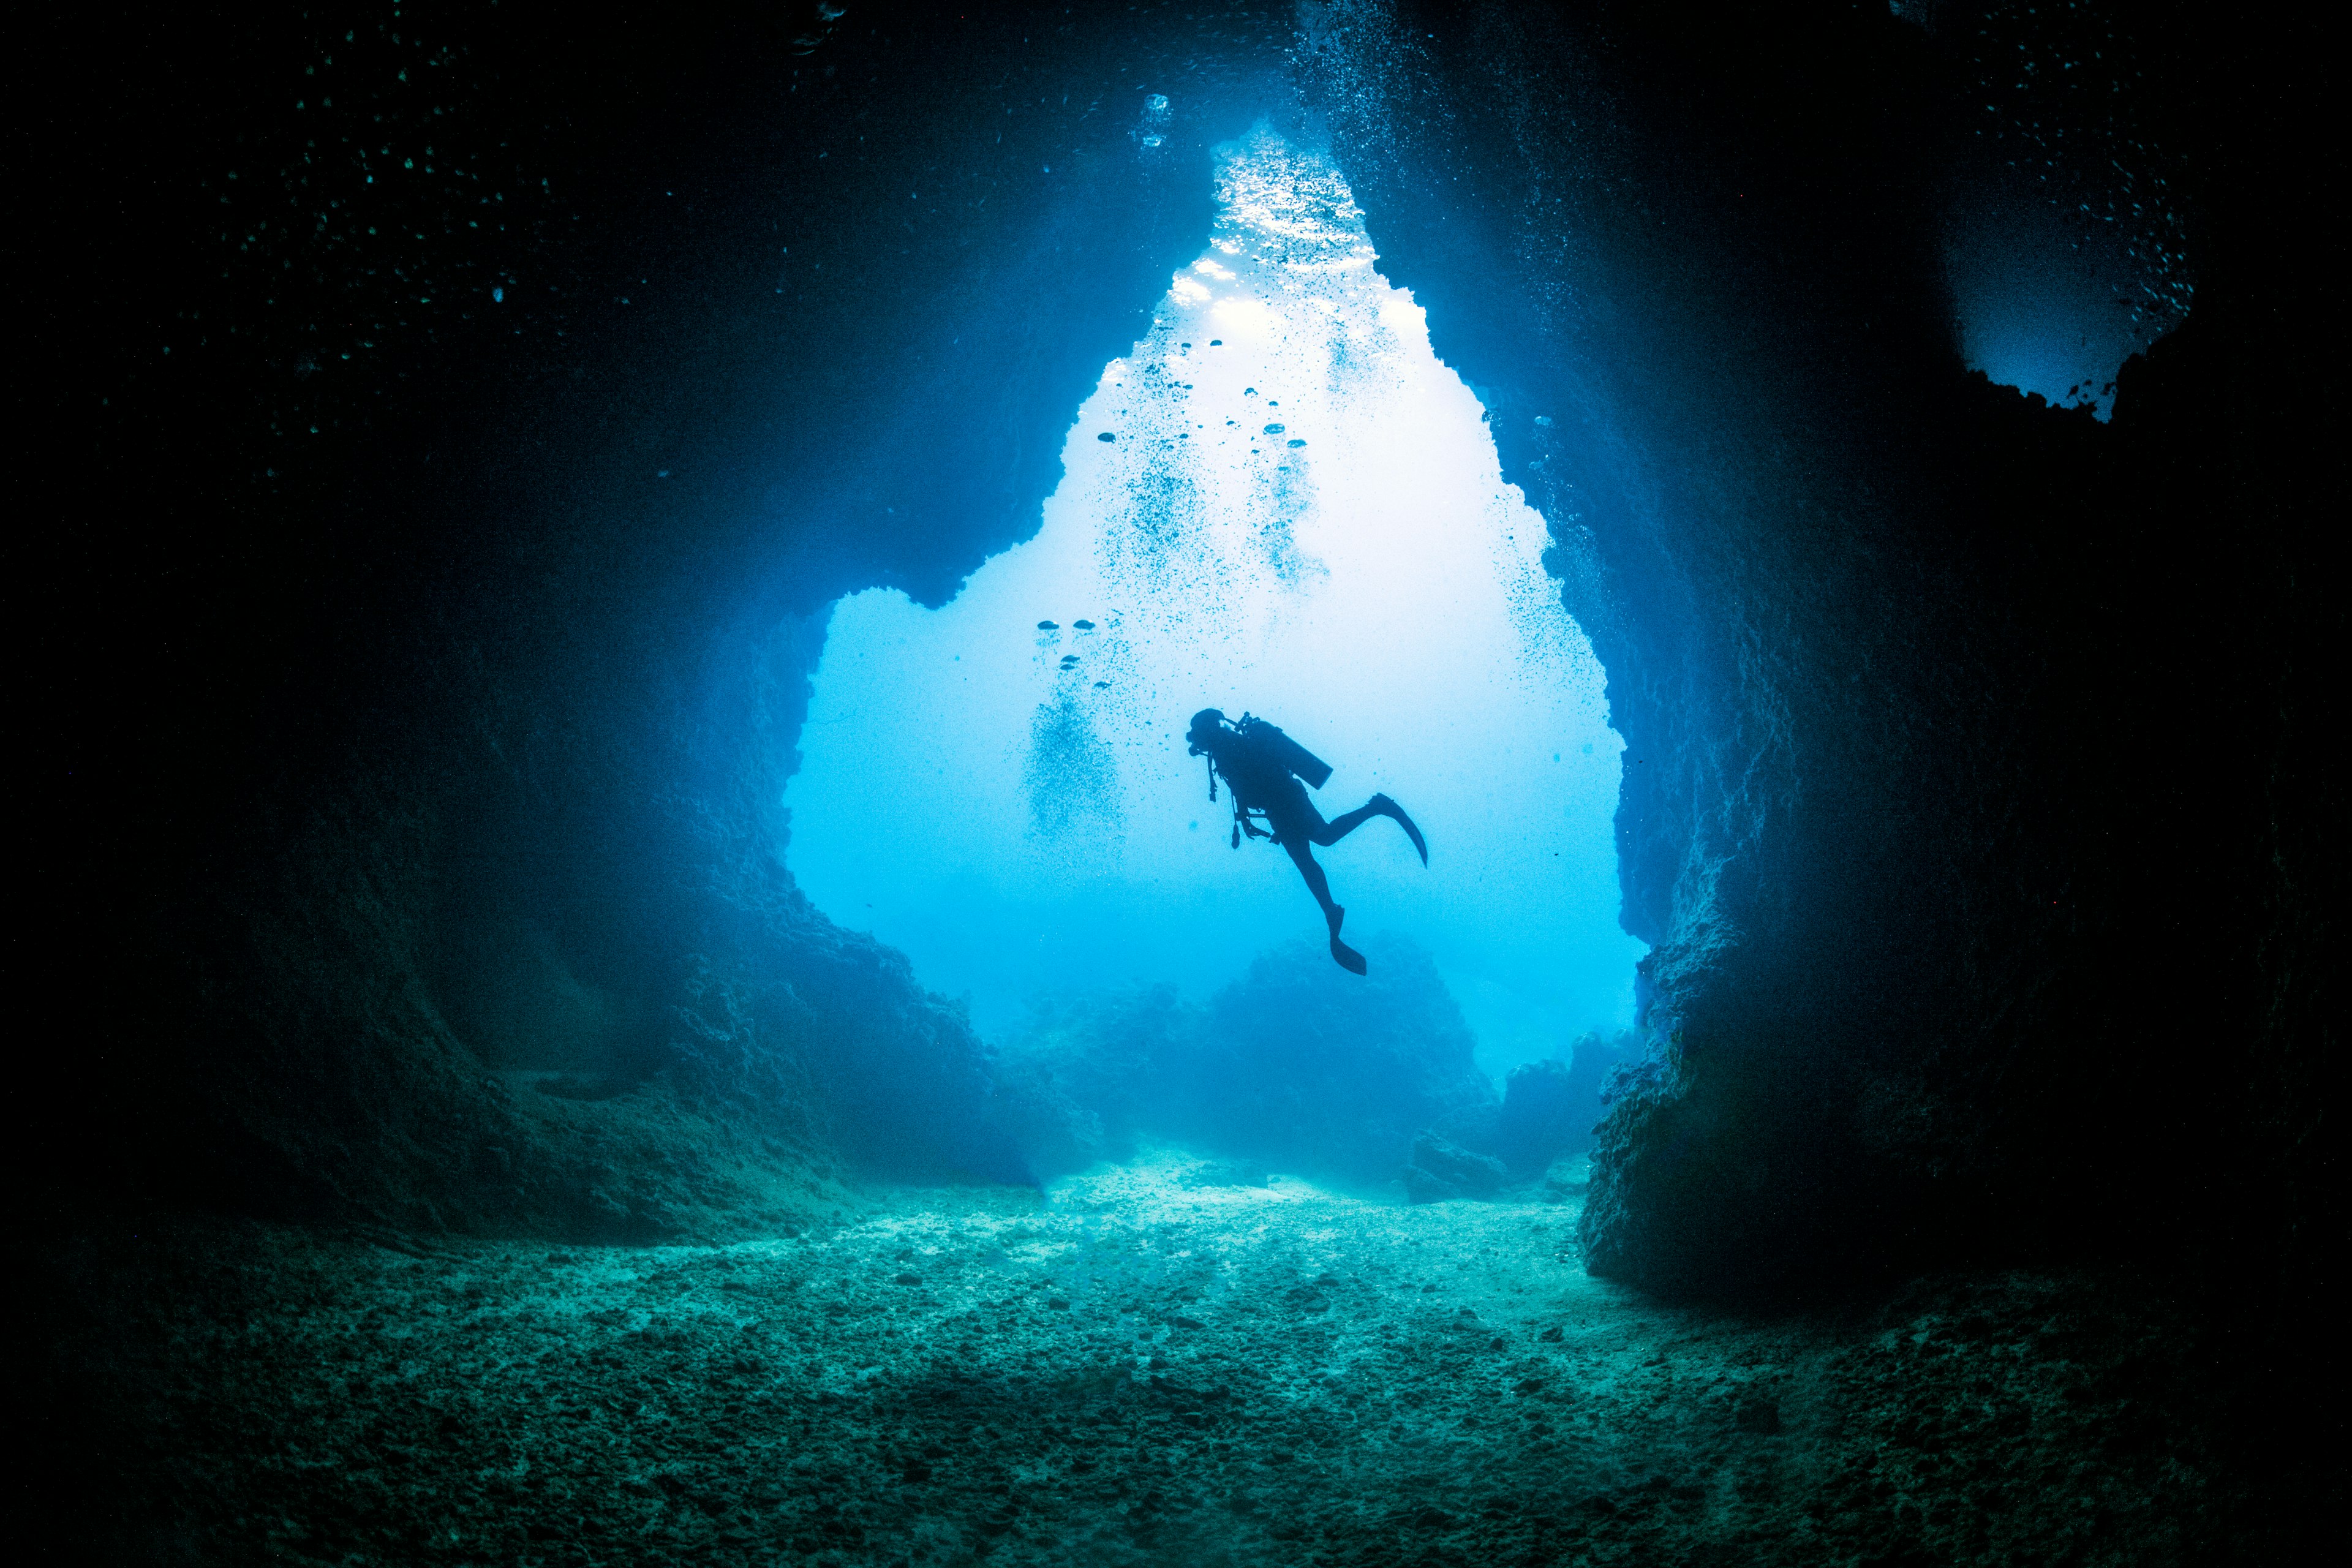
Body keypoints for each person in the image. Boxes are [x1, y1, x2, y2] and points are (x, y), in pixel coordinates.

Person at [1185, 708, 1427, 975]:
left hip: (1286, 801)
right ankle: (1330, 912)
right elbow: (1245, 785)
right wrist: (1247, 820)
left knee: (1323, 839)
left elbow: (1249, 780)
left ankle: (1377, 807)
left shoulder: (1228, 746)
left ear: (1208, 731)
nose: (1196, 743)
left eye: (1198, 736)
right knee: (1307, 862)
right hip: (1279, 807)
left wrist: (1250, 818)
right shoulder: (1226, 746)